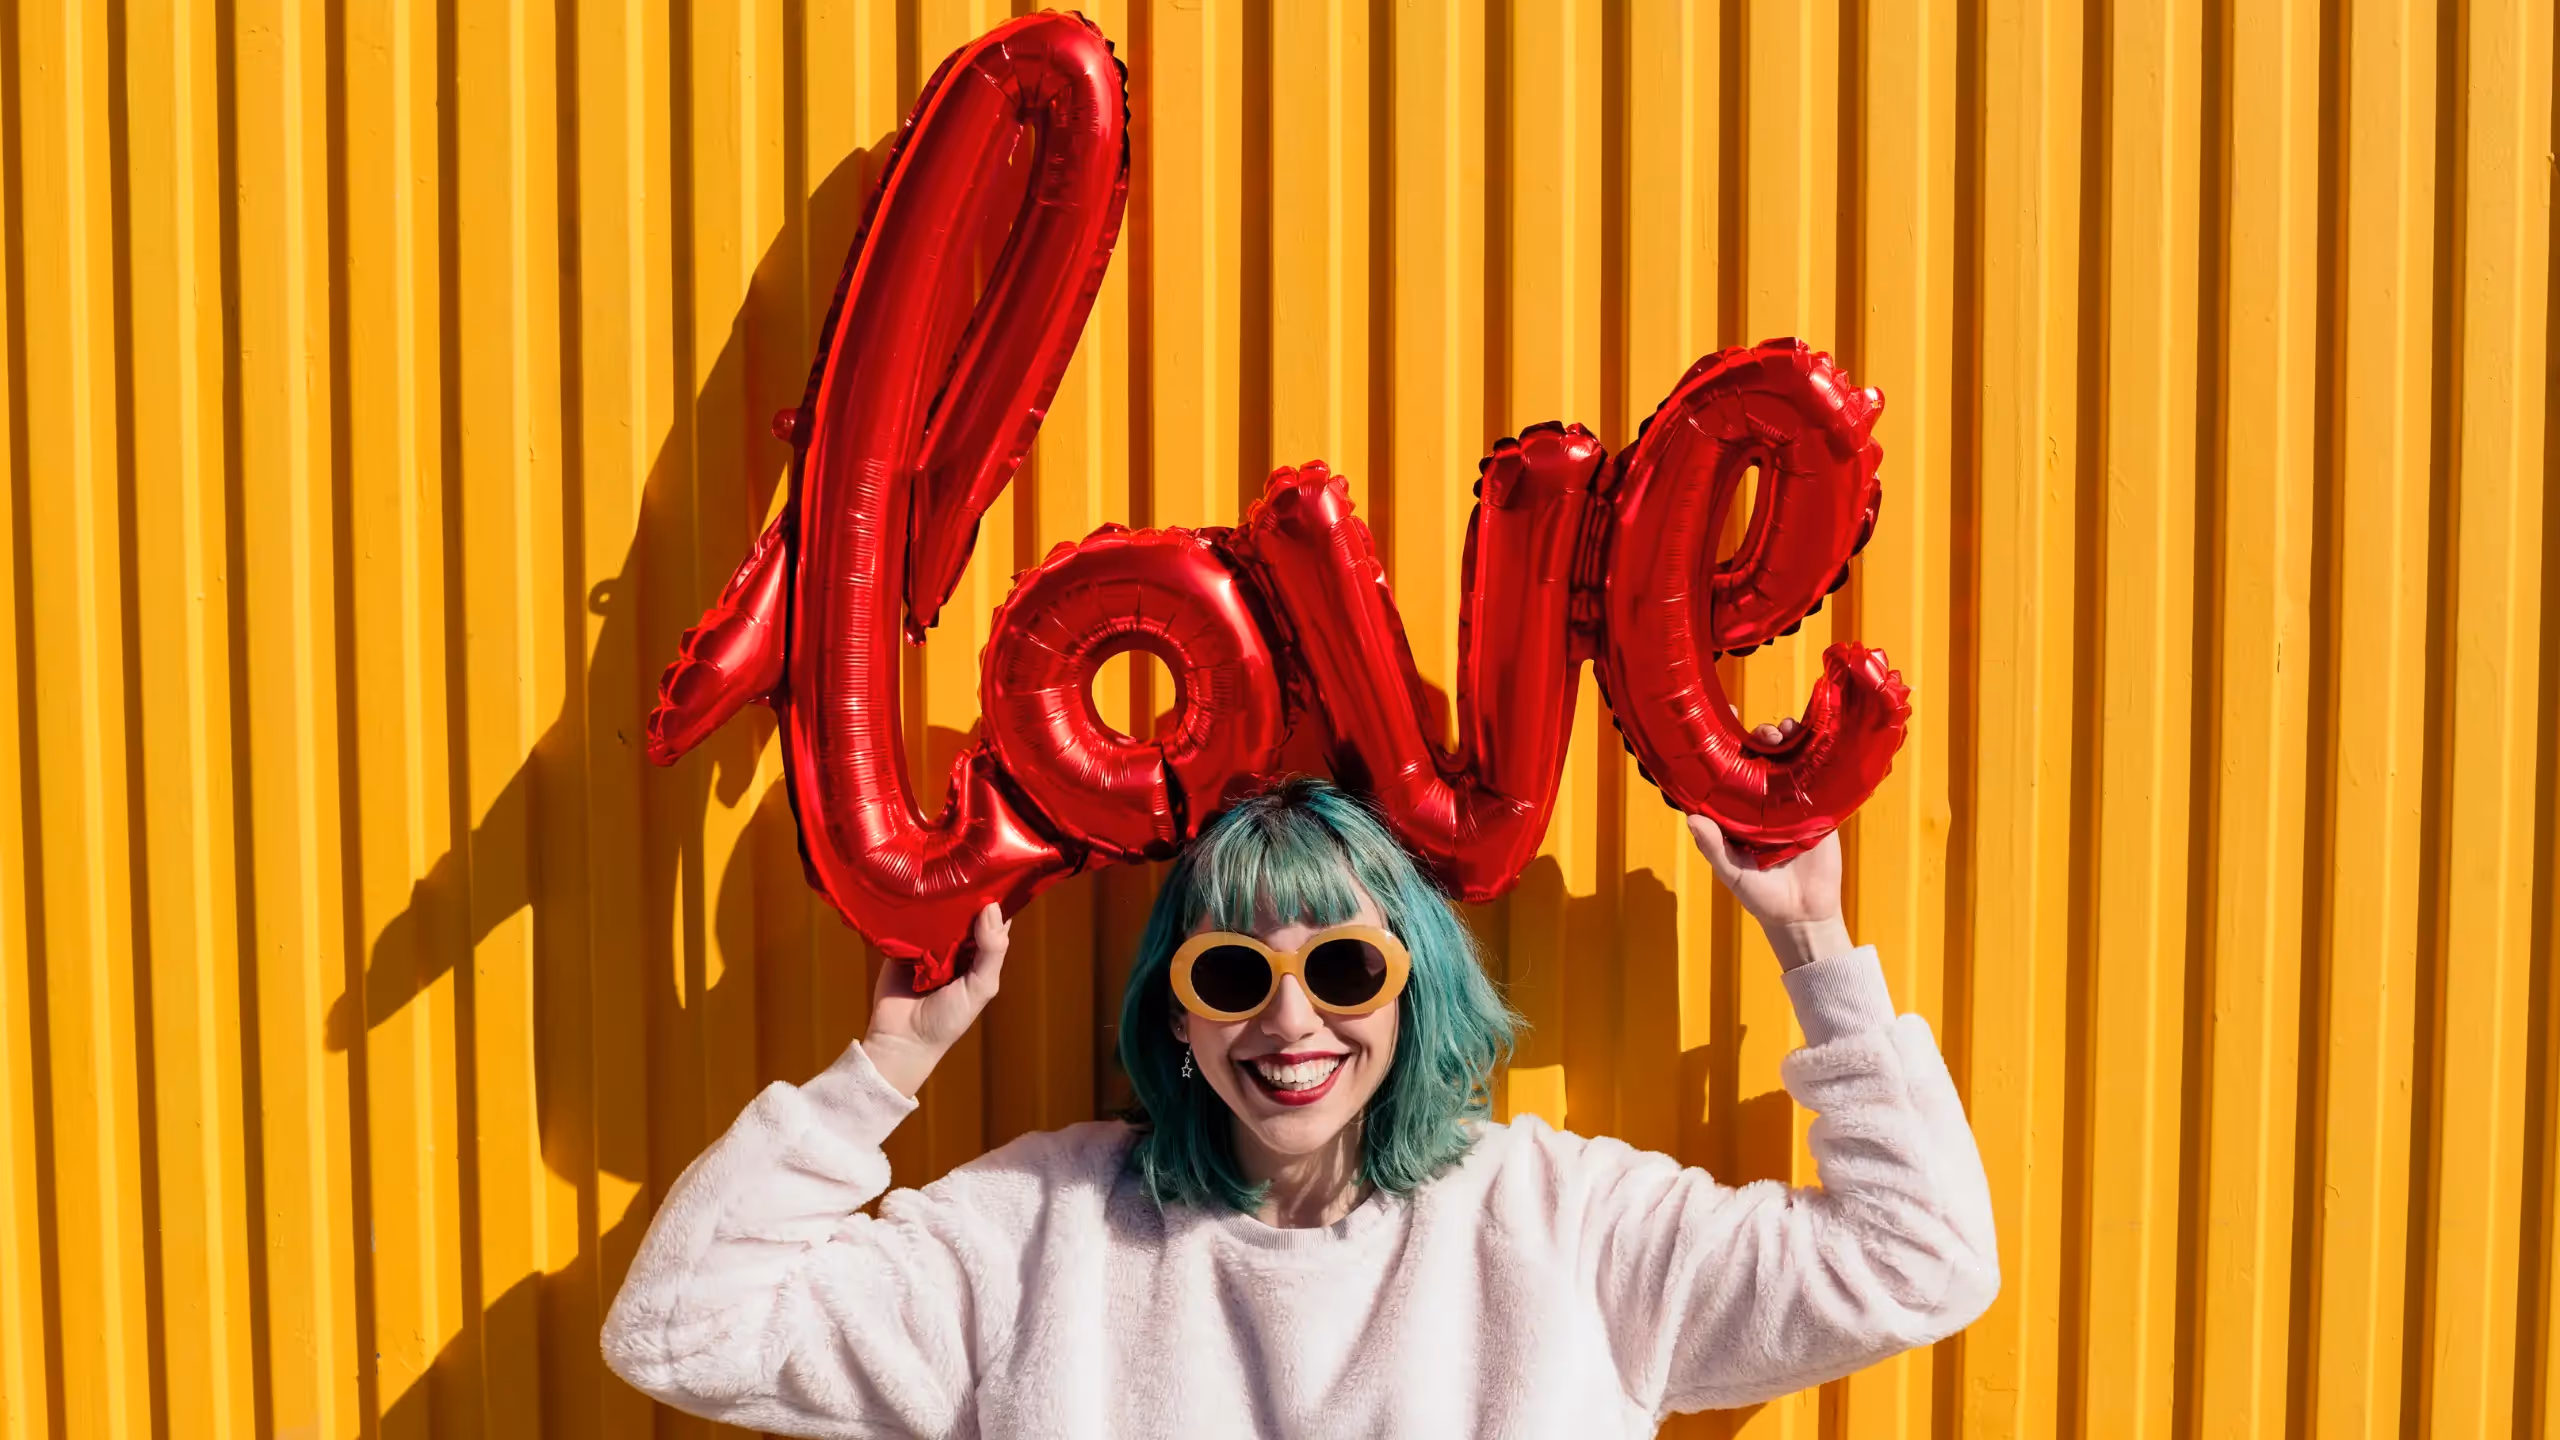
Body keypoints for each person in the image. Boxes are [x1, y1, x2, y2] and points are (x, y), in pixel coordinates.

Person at [601, 766, 1999, 1437]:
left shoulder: (1560, 1220)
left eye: (1341, 966)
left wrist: (1815, 950)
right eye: (1231, 974)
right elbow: (683, 1331)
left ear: (1414, 989)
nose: (1288, 1021)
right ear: (1176, 1011)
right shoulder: (1043, 1229)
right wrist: (884, 1068)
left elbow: (1916, 1265)